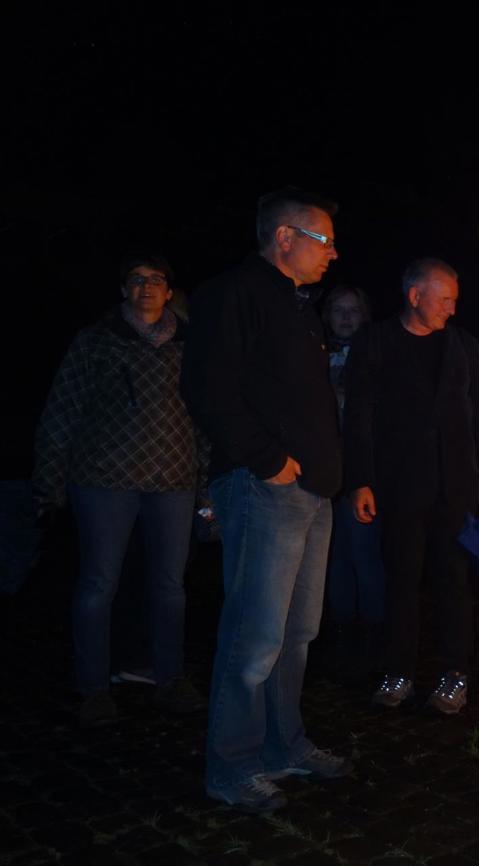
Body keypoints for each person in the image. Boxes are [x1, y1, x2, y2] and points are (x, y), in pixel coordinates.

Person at [181, 188, 352, 813]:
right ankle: (232, 766)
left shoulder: (297, 306)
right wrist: (270, 461)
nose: (333, 253)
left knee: (297, 632)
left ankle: (285, 746)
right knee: (254, 635)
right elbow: (206, 387)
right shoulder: (233, 294)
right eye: (324, 239)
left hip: (312, 494)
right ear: (285, 237)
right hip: (265, 489)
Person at [33, 253, 205, 727]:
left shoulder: (189, 347)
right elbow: (62, 411)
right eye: (136, 279)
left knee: (170, 587)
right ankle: (93, 686)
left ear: (169, 291)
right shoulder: (95, 342)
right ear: (123, 290)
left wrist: (206, 490)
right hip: (103, 482)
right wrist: (49, 484)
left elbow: (203, 421)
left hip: (172, 482)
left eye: (156, 279)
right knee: (97, 584)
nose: (146, 286)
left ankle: (169, 677)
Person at [343, 258, 479, 714]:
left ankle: (455, 674)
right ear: (415, 296)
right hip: (398, 487)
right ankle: (399, 671)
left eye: (454, 300)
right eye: (444, 299)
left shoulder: (462, 345)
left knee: (454, 581)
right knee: (401, 581)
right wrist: (360, 481)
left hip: (453, 487)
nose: (451, 309)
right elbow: (358, 416)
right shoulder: (375, 342)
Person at [320, 285, 385, 675]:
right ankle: (341, 630)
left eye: (353, 311)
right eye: (338, 310)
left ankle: (375, 633)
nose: (346, 318)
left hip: (363, 470)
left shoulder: (376, 355)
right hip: (325, 469)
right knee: (334, 554)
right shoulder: (313, 354)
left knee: (364, 551)